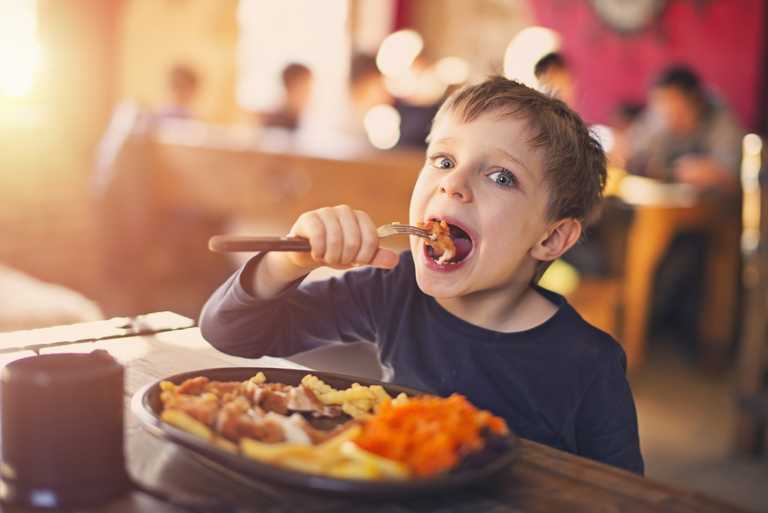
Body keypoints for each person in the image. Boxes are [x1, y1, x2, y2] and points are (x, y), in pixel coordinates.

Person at [199, 77, 644, 474]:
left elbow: (625, 496)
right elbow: (230, 333)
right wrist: (287, 262)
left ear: (551, 238)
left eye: (500, 177)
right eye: (444, 160)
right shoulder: (393, 287)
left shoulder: (589, 364)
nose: (453, 184)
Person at [625, 65, 743, 194]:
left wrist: (716, 174)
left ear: (695, 100)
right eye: (660, 103)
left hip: (712, 201)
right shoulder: (657, 116)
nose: (666, 112)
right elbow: (632, 150)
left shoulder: (720, 120)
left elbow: (734, 175)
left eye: (674, 103)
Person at [257, 63, 313, 131]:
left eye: (309, 89)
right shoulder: (272, 123)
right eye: (304, 89)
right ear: (288, 88)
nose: (308, 95)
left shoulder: (308, 120)